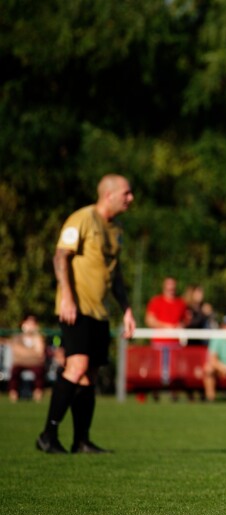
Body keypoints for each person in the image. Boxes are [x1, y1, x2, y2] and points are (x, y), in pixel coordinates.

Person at [36, 173, 136, 454]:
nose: (131, 198)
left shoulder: (117, 230)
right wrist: (67, 296)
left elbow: (116, 276)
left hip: (99, 312)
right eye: (126, 193)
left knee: (89, 375)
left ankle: (81, 440)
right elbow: (60, 257)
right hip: (75, 309)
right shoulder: (82, 218)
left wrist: (126, 309)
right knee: (76, 366)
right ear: (109, 195)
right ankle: (48, 434)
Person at [8, 313, 46, 402]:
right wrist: (33, 352)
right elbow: (17, 351)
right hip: (20, 362)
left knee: (39, 372)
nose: (30, 326)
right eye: (28, 323)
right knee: (14, 373)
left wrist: (36, 335)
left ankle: (38, 394)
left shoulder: (38, 338)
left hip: (35, 363)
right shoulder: (17, 337)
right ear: (23, 324)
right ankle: (13, 394)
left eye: (33, 323)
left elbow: (40, 352)